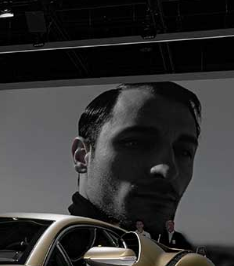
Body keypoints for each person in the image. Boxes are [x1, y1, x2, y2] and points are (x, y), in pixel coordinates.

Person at [69, 81, 201, 238]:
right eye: (135, 143)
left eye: (184, 152)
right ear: (81, 156)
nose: (167, 170)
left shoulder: (186, 252)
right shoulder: (45, 249)